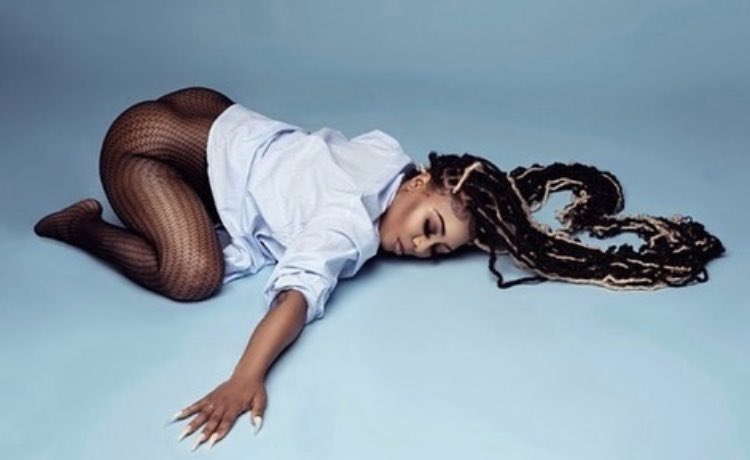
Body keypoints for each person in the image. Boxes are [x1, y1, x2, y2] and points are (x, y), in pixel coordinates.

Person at [34, 87, 724, 450]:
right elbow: (295, 295)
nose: (421, 249)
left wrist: (489, 214)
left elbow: (435, 191)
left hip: (205, 116)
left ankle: (164, 206)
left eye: (439, 251)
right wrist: (246, 376)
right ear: (420, 184)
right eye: (430, 229)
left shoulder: (389, 155)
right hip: (144, 147)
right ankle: (80, 225)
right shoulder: (346, 224)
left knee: (217, 237)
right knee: (193, 275)